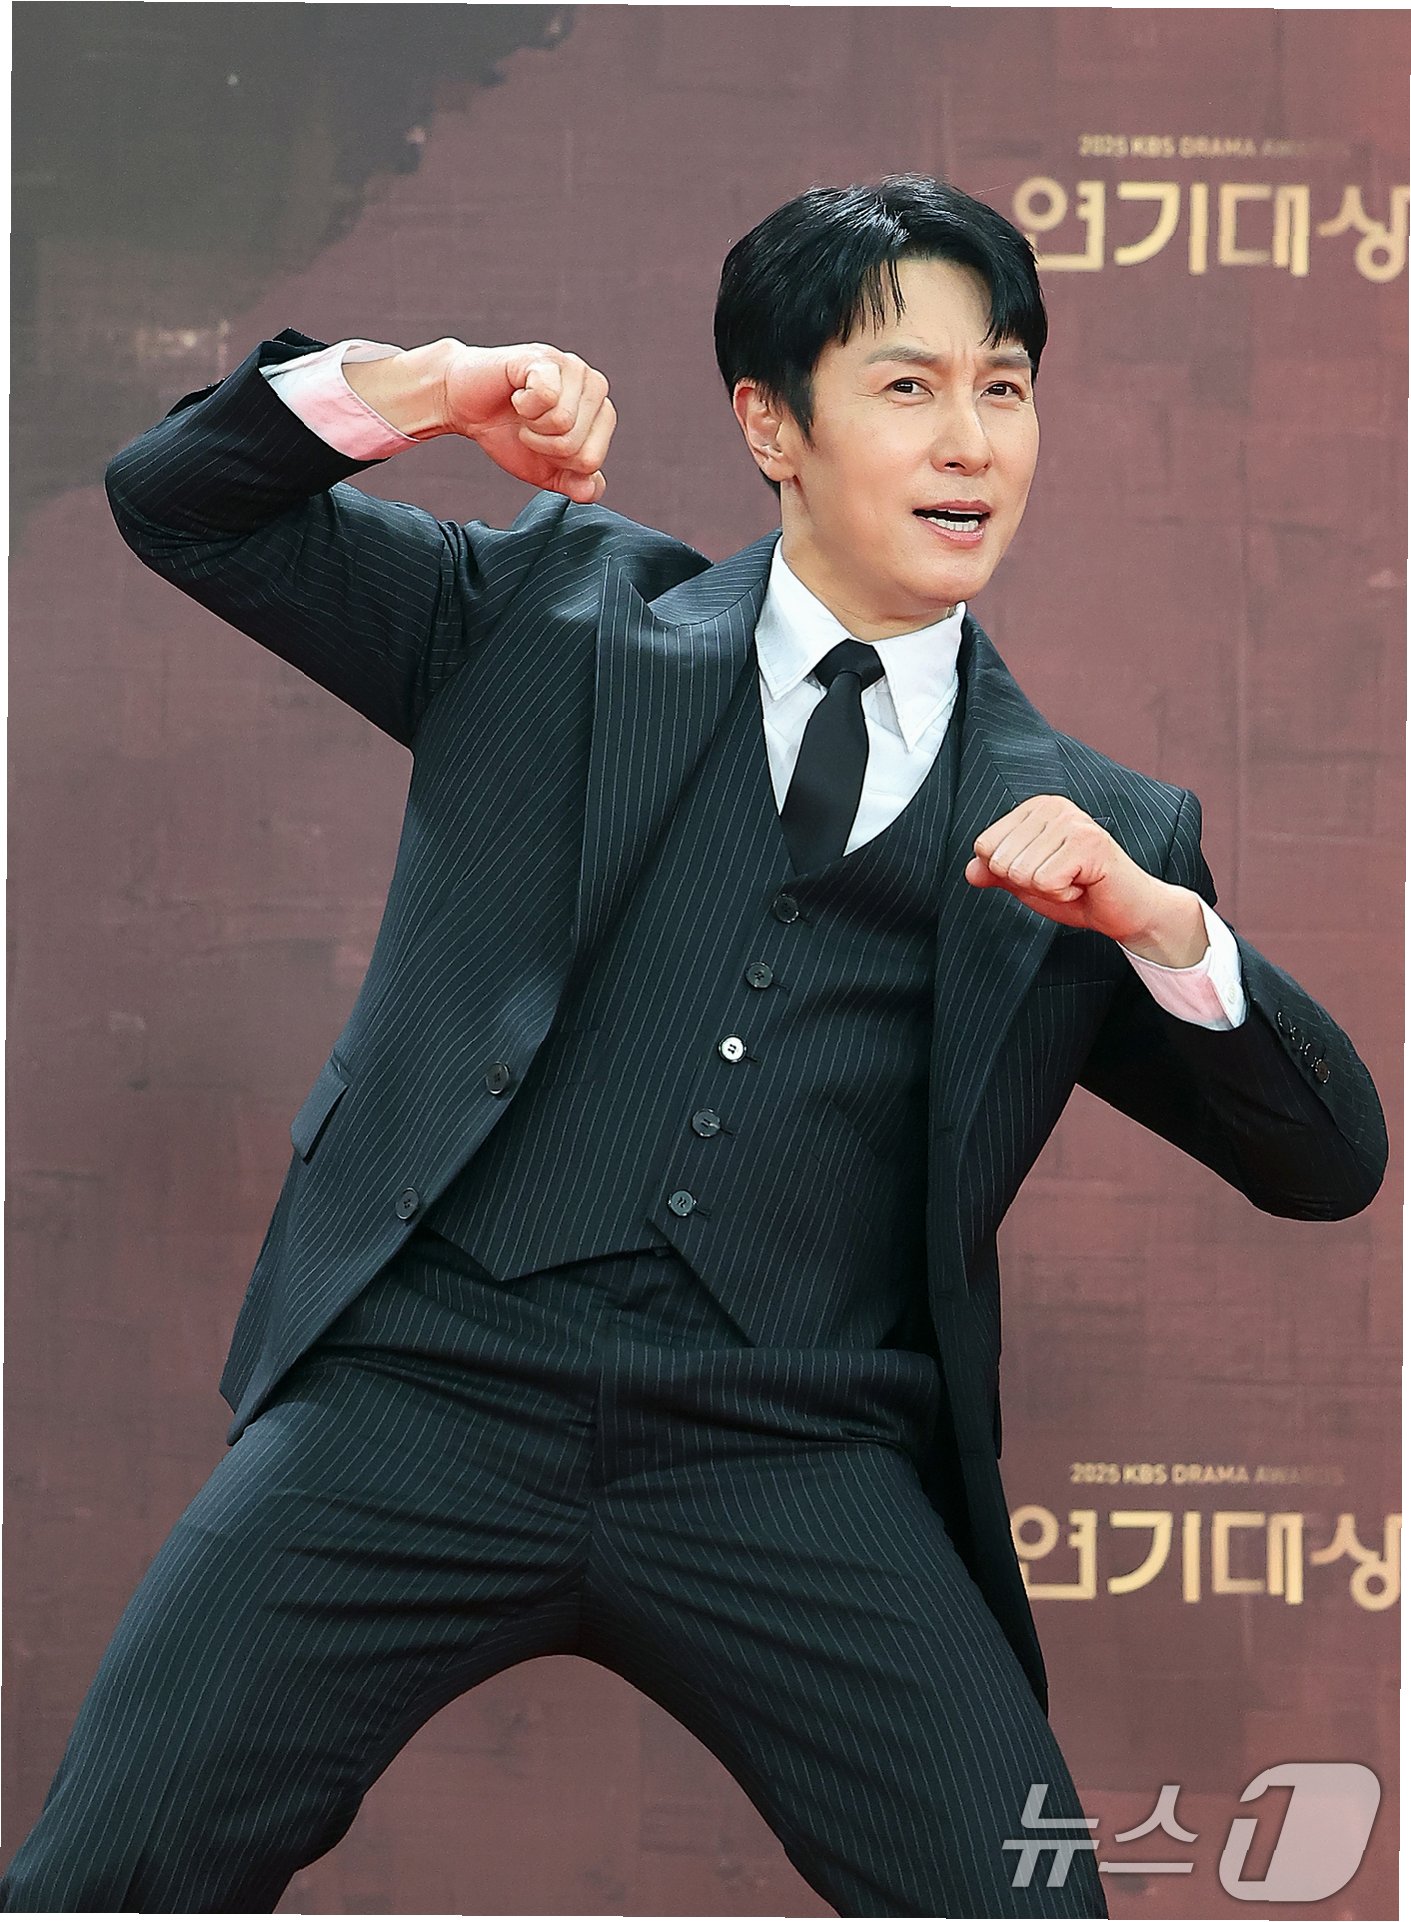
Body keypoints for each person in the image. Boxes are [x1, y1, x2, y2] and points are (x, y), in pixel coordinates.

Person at [2, 174, 1385, 1918]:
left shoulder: (1096, 827)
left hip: (789, 1443)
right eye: (908, 385)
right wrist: (425, 389)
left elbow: (1330, 1161)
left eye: (1006, 386)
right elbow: (177, 501)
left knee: (1023, 1903)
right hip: (428, 1383)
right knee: (107, 1876)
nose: (971, 440)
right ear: (770, 424)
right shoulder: (551, 621)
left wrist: (1170, 931)